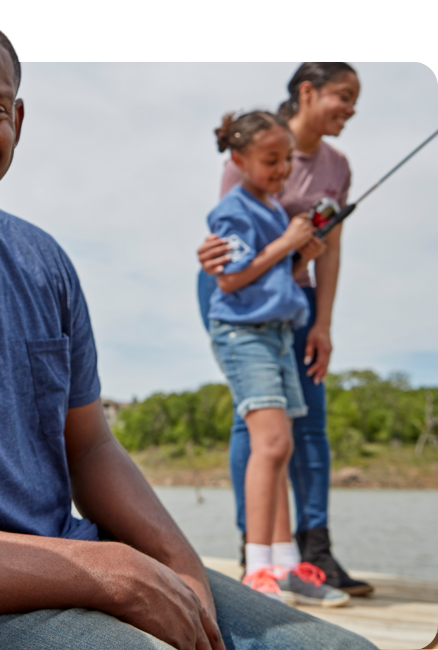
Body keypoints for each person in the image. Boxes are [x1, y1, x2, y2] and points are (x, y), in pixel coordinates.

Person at [0, 13, 375, 650]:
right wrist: (104, 573)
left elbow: (89, 448)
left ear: (17, 122)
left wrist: (185, 570)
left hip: (79, 566)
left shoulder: (42, 258)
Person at [196, 63, 372, 596]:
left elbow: (295, 262)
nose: (282, 170)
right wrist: (286, 244)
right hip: (244, 320)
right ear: (307, 92)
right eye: (342, 96)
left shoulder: (328, 171)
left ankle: (293, 557)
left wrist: (308, 277)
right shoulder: (248, 184)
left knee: (290, 437)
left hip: (285, 312)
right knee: (263, 435)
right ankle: (258, 560)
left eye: (286, 163)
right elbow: (230, 267)